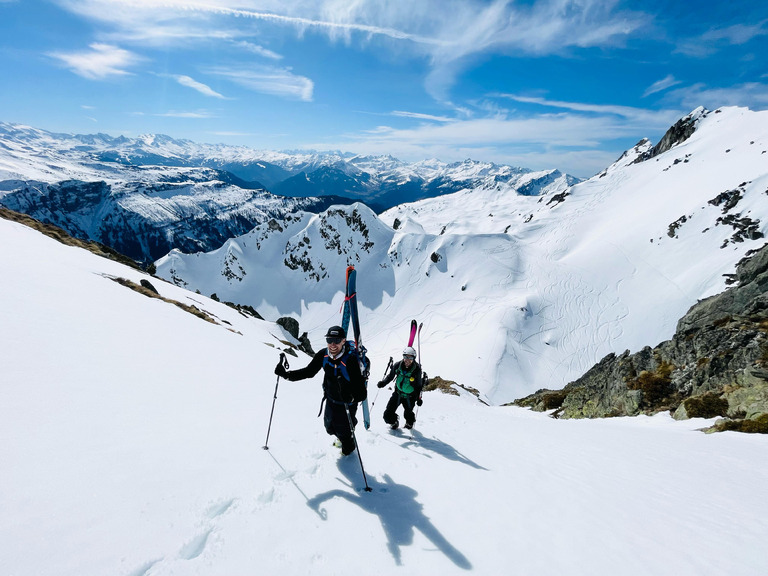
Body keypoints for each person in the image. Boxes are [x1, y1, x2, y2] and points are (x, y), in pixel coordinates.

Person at [275, 326, 367, 455]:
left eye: (336, 340)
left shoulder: (350, 361)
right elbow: (309, 372)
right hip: (330, 399)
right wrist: (286, 375)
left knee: (344, 432)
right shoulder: (323, 354)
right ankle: (342, 436)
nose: (332, 344)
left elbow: (362, 393)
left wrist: (351, 397)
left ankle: (349, 447)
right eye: (329, 340)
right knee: (329, 427)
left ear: (343, 341)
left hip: (347, 403)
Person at [377, 346, 423, 430]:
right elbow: (390, 376)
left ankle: (409, 423)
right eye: (405, 356)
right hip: (397, 394)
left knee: (408, 414)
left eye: (410, 357)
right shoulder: (398, 365)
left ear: (414, 358)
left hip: (410, 397)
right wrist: (383, 383)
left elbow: (419, 386)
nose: (407, 359)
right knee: (387, 415)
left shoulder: (417, 370)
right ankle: (394, 422)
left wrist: (419, 398)